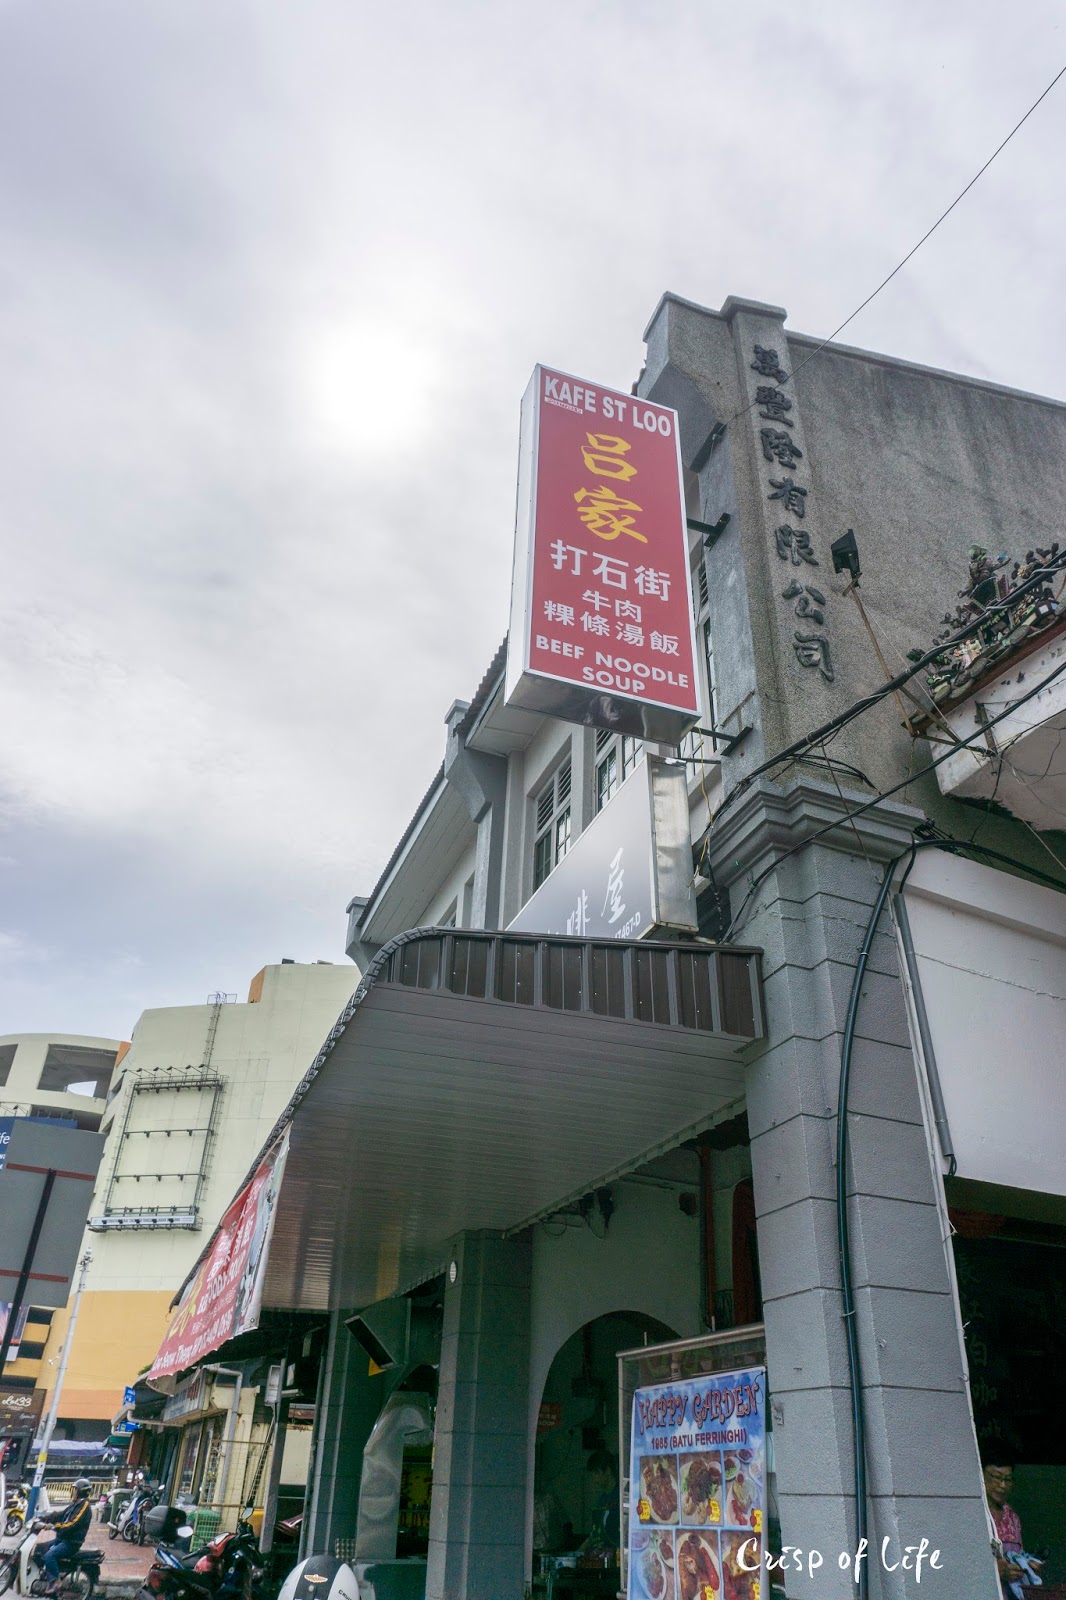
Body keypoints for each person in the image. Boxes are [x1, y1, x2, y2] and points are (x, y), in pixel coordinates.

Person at [983, 1461, 1042, 1597]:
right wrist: (995, 1571)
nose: (1003, 1485)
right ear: (982, 1476)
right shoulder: (973, 1514)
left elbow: (1018, 1556)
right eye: (996, 1477)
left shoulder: (1013, 1518)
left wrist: (1028, 1568)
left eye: (1008, 1480)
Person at [40, 1478, 94, 1592]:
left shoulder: (84, 1506)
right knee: (39, 1549)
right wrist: (42, 1518)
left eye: (75, 1490)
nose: (72, 1492)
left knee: (49, 1555)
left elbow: (72, 1524)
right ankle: (45, 1574)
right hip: (62, 1539)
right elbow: (60, 1515)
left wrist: (55, 1526)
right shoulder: (75, 1505)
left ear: (81, 1491)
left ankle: (55, 1581)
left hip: (71, 1543)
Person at [582, 1450, 620, 1558]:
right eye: (592, 1474)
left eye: (596, 1473)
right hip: (602, 1556)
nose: (594, 1478)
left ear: (607, 1471)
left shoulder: (623, 1496)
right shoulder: (600, 1501)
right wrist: (579, 1552)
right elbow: (595, 1532)